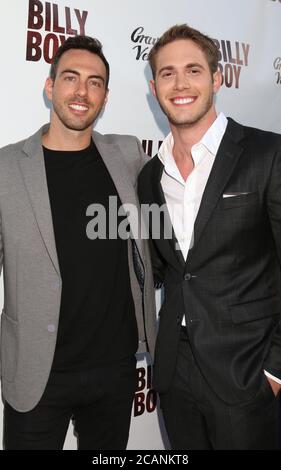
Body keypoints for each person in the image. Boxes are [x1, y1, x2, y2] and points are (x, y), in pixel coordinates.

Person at [0, 35, 156, 450]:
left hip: (115, 370)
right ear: (50, 87)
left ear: (105, 97)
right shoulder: (6, 167)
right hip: (37, 371)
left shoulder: (127, 155)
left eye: (95, 82)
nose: (82, 92)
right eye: (70, 78)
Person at [138, 24, 281, 450]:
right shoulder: (150, 175)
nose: (180, 84)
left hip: (247, 370)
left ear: (217, 79)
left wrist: (274, 369)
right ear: (154, 87)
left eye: (193, 70)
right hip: (174, 370)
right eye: (167, 73)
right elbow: (168, 268)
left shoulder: (267, 154)